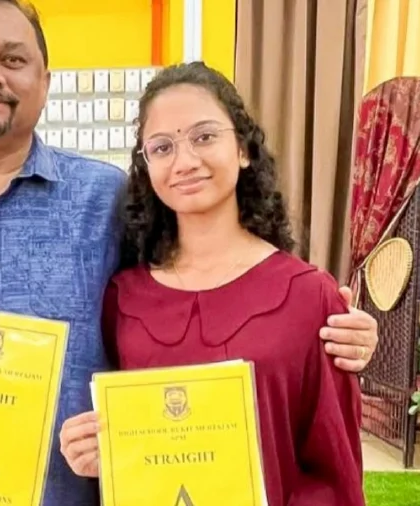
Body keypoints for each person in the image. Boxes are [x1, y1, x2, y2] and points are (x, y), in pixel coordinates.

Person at [0, 1, 380, 505]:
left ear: (45, 81)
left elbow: (202, 293)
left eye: (13, 58)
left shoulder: (109, 200)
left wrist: (323, 323)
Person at [59, 62, 366, 505]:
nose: (185, 162)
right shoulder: (122, 300)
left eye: (204, 137)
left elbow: (334, 470)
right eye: (161, 147)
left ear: (242, 148)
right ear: (146, 168)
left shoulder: (309, 296)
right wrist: (95, 452)